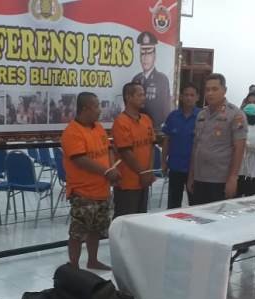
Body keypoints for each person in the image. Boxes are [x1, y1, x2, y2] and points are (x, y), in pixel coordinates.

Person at [60, 92, 121, 270]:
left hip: (102, 190)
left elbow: (108, 150)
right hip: (83, 192)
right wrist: (106, 171)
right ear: (85, 108)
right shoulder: (72, 131)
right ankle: (73, 267)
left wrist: (112, 168)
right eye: (96, 106)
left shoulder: (98, 128)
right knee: (78, 233)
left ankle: (92, 260)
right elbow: (80, 160)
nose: (100, 110)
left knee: (96, 229)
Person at [186, 73, 247, 204]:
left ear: (224, 90)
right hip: (199, 178)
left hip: (220, 181)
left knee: (217, 216)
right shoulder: (201, 115)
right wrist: (191, 175)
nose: (210, 93)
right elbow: (196, 146)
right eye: (207, 89)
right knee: (197, 215)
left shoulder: (235, 115)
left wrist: (233, 178)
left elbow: (239, 148)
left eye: (214, 89)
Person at [112, 82, 155, 217]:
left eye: (144, 95)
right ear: (128, 97)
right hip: (127, 183)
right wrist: (143, 173)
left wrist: (149, 172)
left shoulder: (146, 119)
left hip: (144, 181)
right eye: (140, 95)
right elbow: (126, 153)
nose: (143, 98)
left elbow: (151, 147)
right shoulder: (120, 122)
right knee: (125, 220)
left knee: (140, 220)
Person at [161, 84, 200, 208]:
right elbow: (167, 141)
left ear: (197, 97)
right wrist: (163, 161)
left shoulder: (202, 117)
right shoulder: (172, 116)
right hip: (175, 167)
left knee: (195, 205)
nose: (189, 98)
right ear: (181, 97)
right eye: (186, 95)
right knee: (173, 205)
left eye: (192, 95)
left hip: (195, 170)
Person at [132, 31, 171, 128]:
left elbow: (165, 109)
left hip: (155, 129)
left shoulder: (162, 79)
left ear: (154, 55)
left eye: (149, 53)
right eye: (142, 53)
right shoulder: (136, 79)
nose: (145, 58)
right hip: (137, 127)